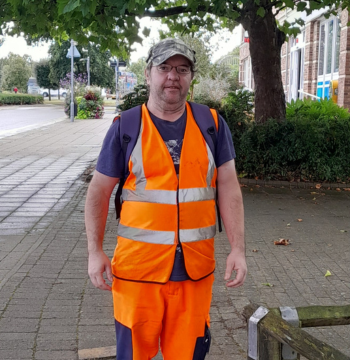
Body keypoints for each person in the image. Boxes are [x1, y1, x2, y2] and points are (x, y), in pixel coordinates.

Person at [85, 38, 247, 360]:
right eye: (164, 68)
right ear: (148, 74)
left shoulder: (211, 125)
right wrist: (94, 252)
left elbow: (229, 187)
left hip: (193, 274)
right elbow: (99, 192)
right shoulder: (126, 127)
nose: (173, 76)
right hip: (136, 276)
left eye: (182, 69)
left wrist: (238, 249)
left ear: (190, 77)